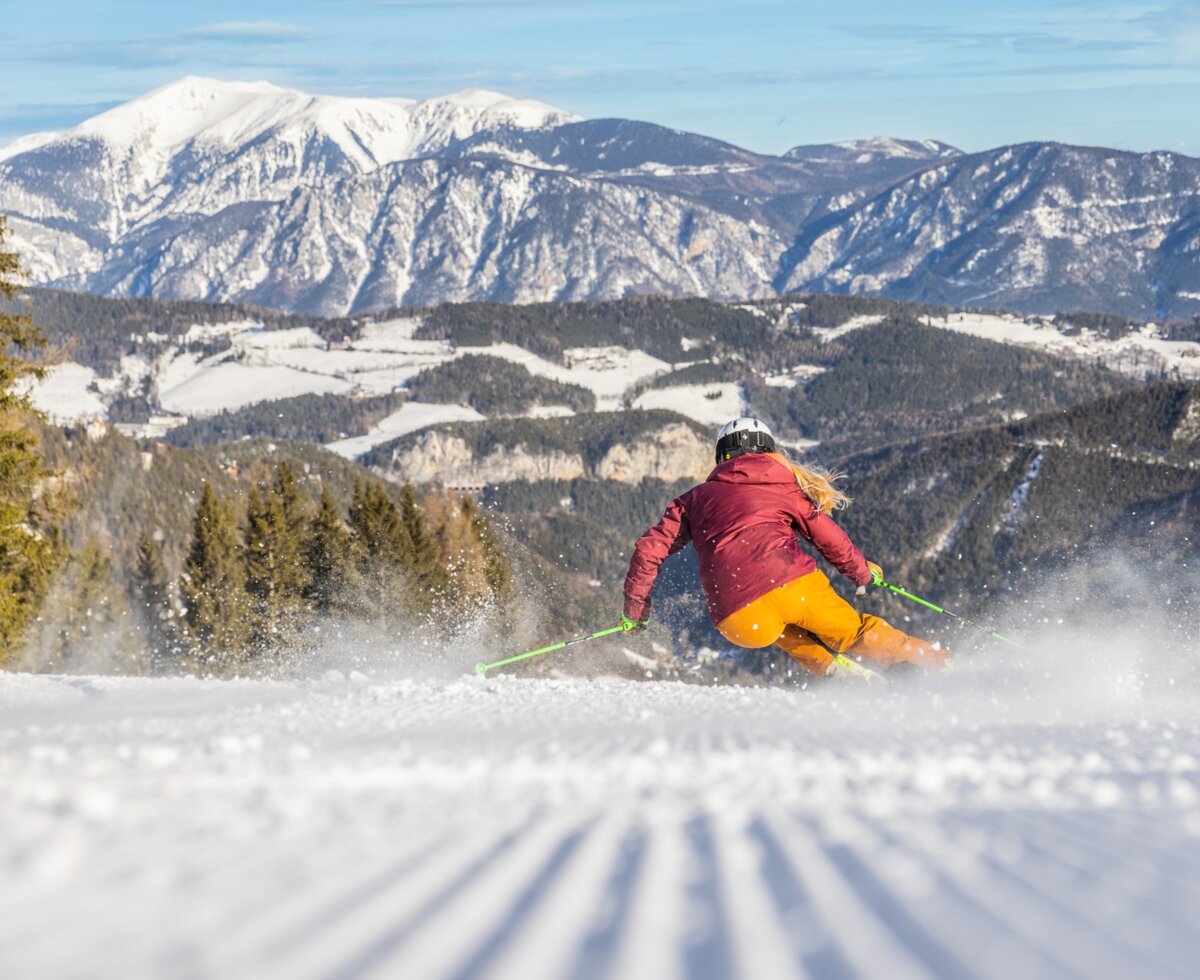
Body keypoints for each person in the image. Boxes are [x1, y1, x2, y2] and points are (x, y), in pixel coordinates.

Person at [621, 417, 949, 680]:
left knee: (783, 630)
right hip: (794, 588)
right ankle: (942, 666)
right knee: (853, 633)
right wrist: (861, 575)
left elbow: (648, 551)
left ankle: (837, 674)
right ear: (769, 451)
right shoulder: (785, 487)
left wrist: (635, 612)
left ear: (721, 457)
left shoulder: (692, 500)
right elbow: (829, 539)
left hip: (737, 620)